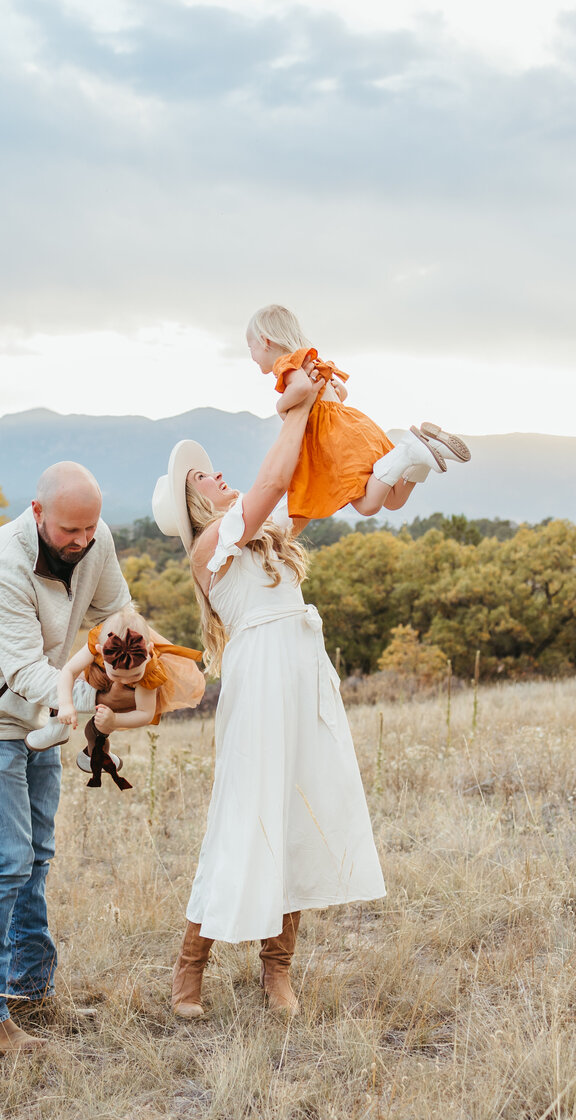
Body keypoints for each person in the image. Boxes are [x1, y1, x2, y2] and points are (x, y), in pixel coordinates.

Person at [151, 388, 386, 1017]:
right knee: (243, 815)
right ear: (195, 503)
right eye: (204, 476)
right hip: (259, 682)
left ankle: (276, 970)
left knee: (296, 812)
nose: (218, 474)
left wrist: (369, 462)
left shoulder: (263, 537)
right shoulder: (210, 550)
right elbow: (276, 475)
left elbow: (306, 489)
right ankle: (189, 971)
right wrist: (295, 409)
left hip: (303, 672)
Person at [0, 461, 131, 1054]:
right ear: (38, 513)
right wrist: (80, 695)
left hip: (43, 714)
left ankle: (30, 985)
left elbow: (117, 612)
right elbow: (23, 672)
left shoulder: (93, 540)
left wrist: (137, 661)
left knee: (37, 855)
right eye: (70, 531)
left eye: (90, 529)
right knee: (6, 858)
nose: (83, 541)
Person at [247, 303, 471, 529]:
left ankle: (409, 449)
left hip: (336, 439)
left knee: (367, 505)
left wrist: (281, 406)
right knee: (394, 501)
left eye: (251, 348)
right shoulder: (312, 361)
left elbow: (303, 388)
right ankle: (423, 454)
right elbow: (341, 393)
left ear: (266, 342)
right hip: (354, 426)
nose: (252, 356)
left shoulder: (286, 363)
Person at [29, 605, 204, 790]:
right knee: (66, 685)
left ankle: (99, 753)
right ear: (100, 650)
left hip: (128, 699)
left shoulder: (149, 671)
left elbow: (145, 713)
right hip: (95, 676)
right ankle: (56, 726)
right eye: (118, 675)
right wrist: (65, 704)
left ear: (149, 650)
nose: (124, 680)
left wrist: (114, 720)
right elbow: (69, 671)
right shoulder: (98, 643)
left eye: (133, 675)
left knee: (94, 730)